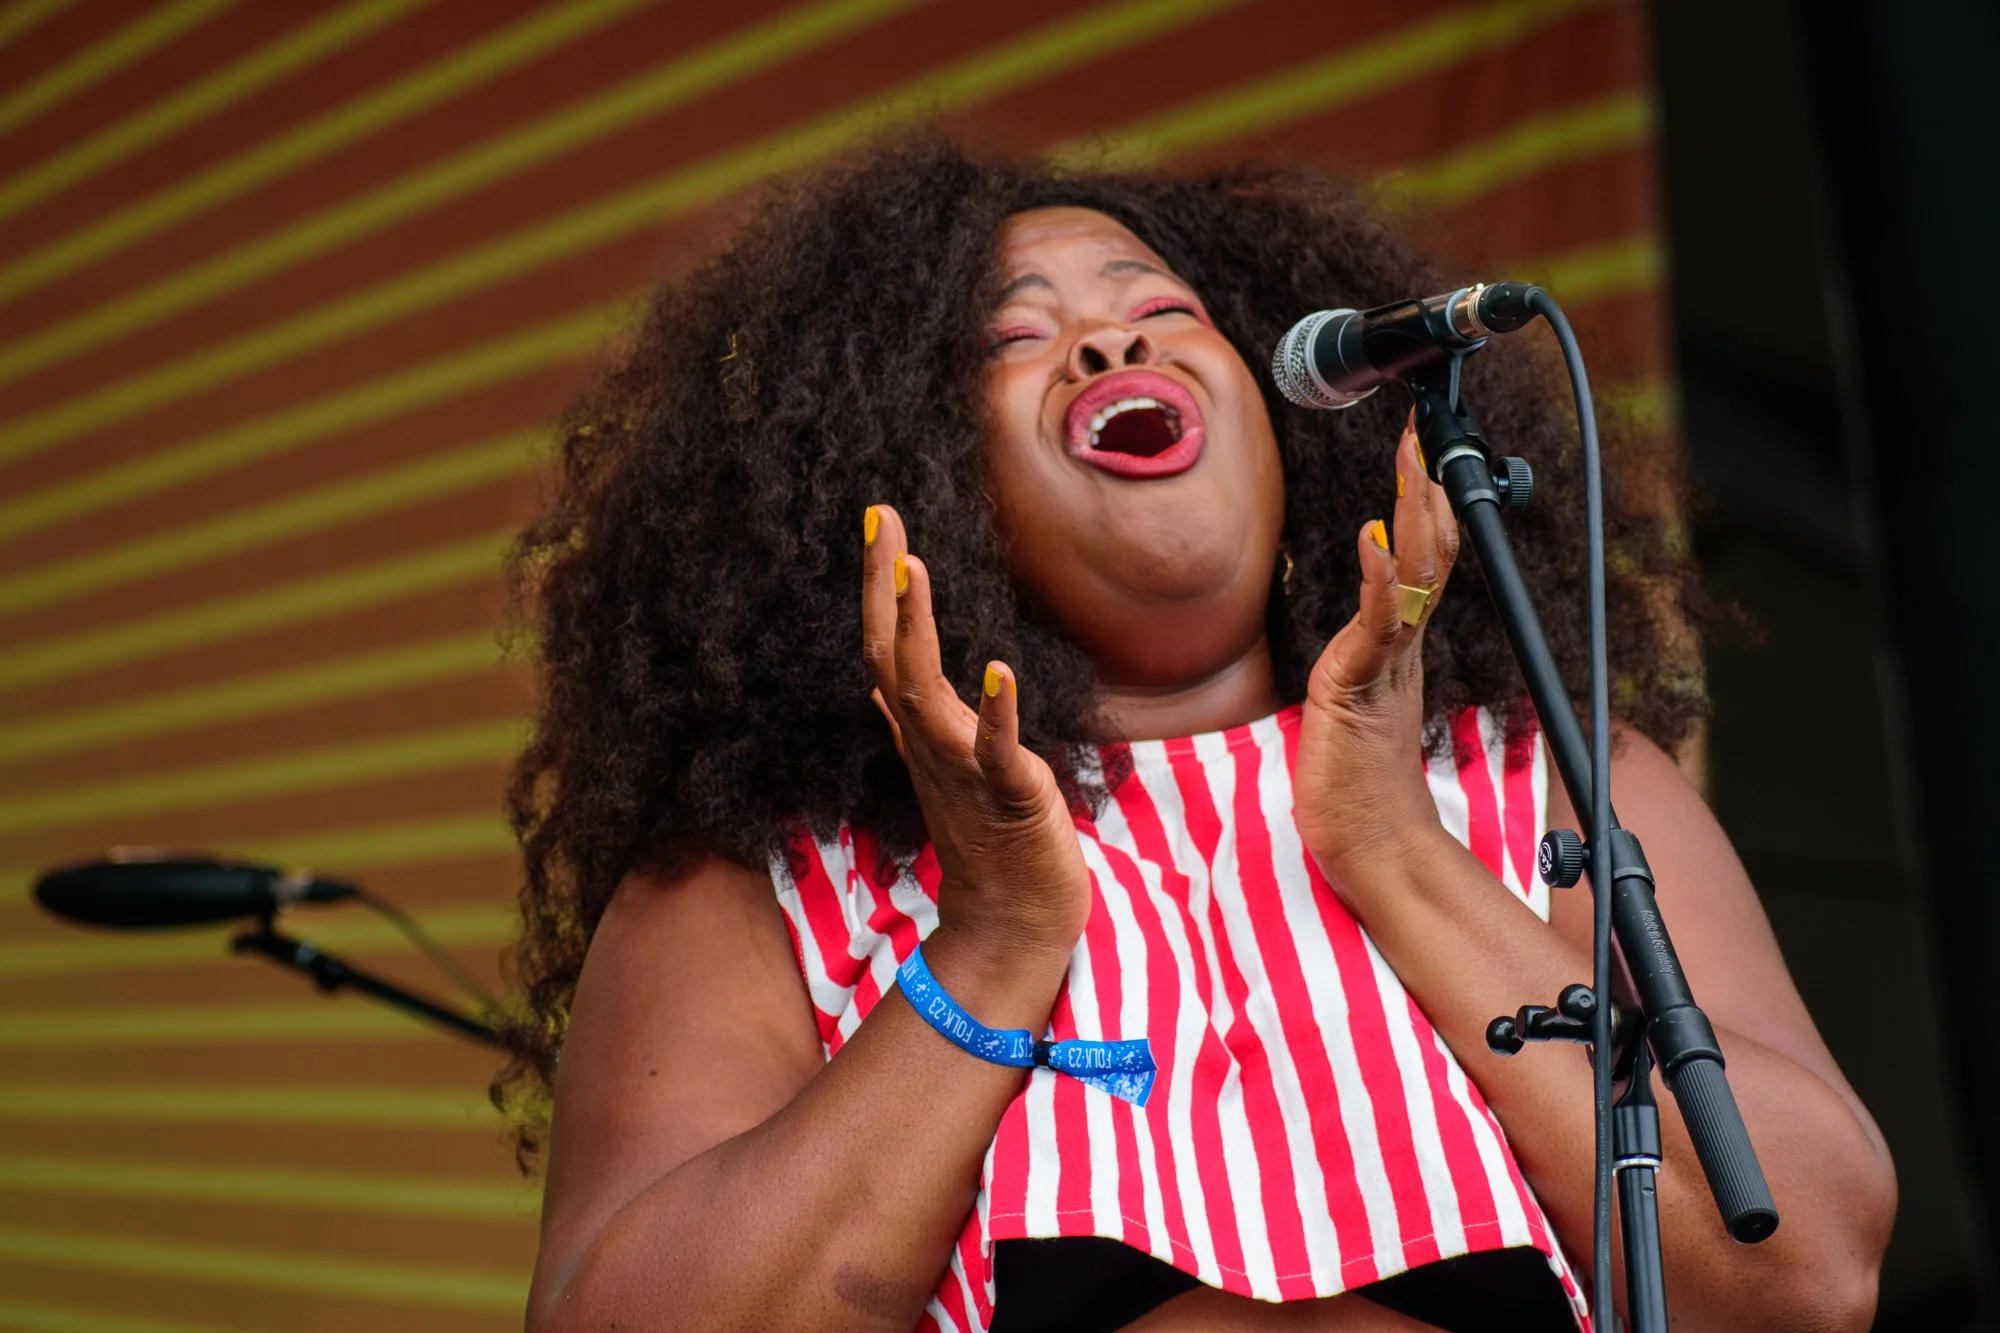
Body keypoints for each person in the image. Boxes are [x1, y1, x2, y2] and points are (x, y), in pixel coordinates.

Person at [493, 137, 1894, 1332]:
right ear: (895, 468)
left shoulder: (1551, 782)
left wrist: (1398, 851)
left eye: (1163, 309)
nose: (1113, 343)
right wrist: (992, 943)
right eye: (1012, 339)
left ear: (1301, 426)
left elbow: (1809, 1279)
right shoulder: (767, 876)